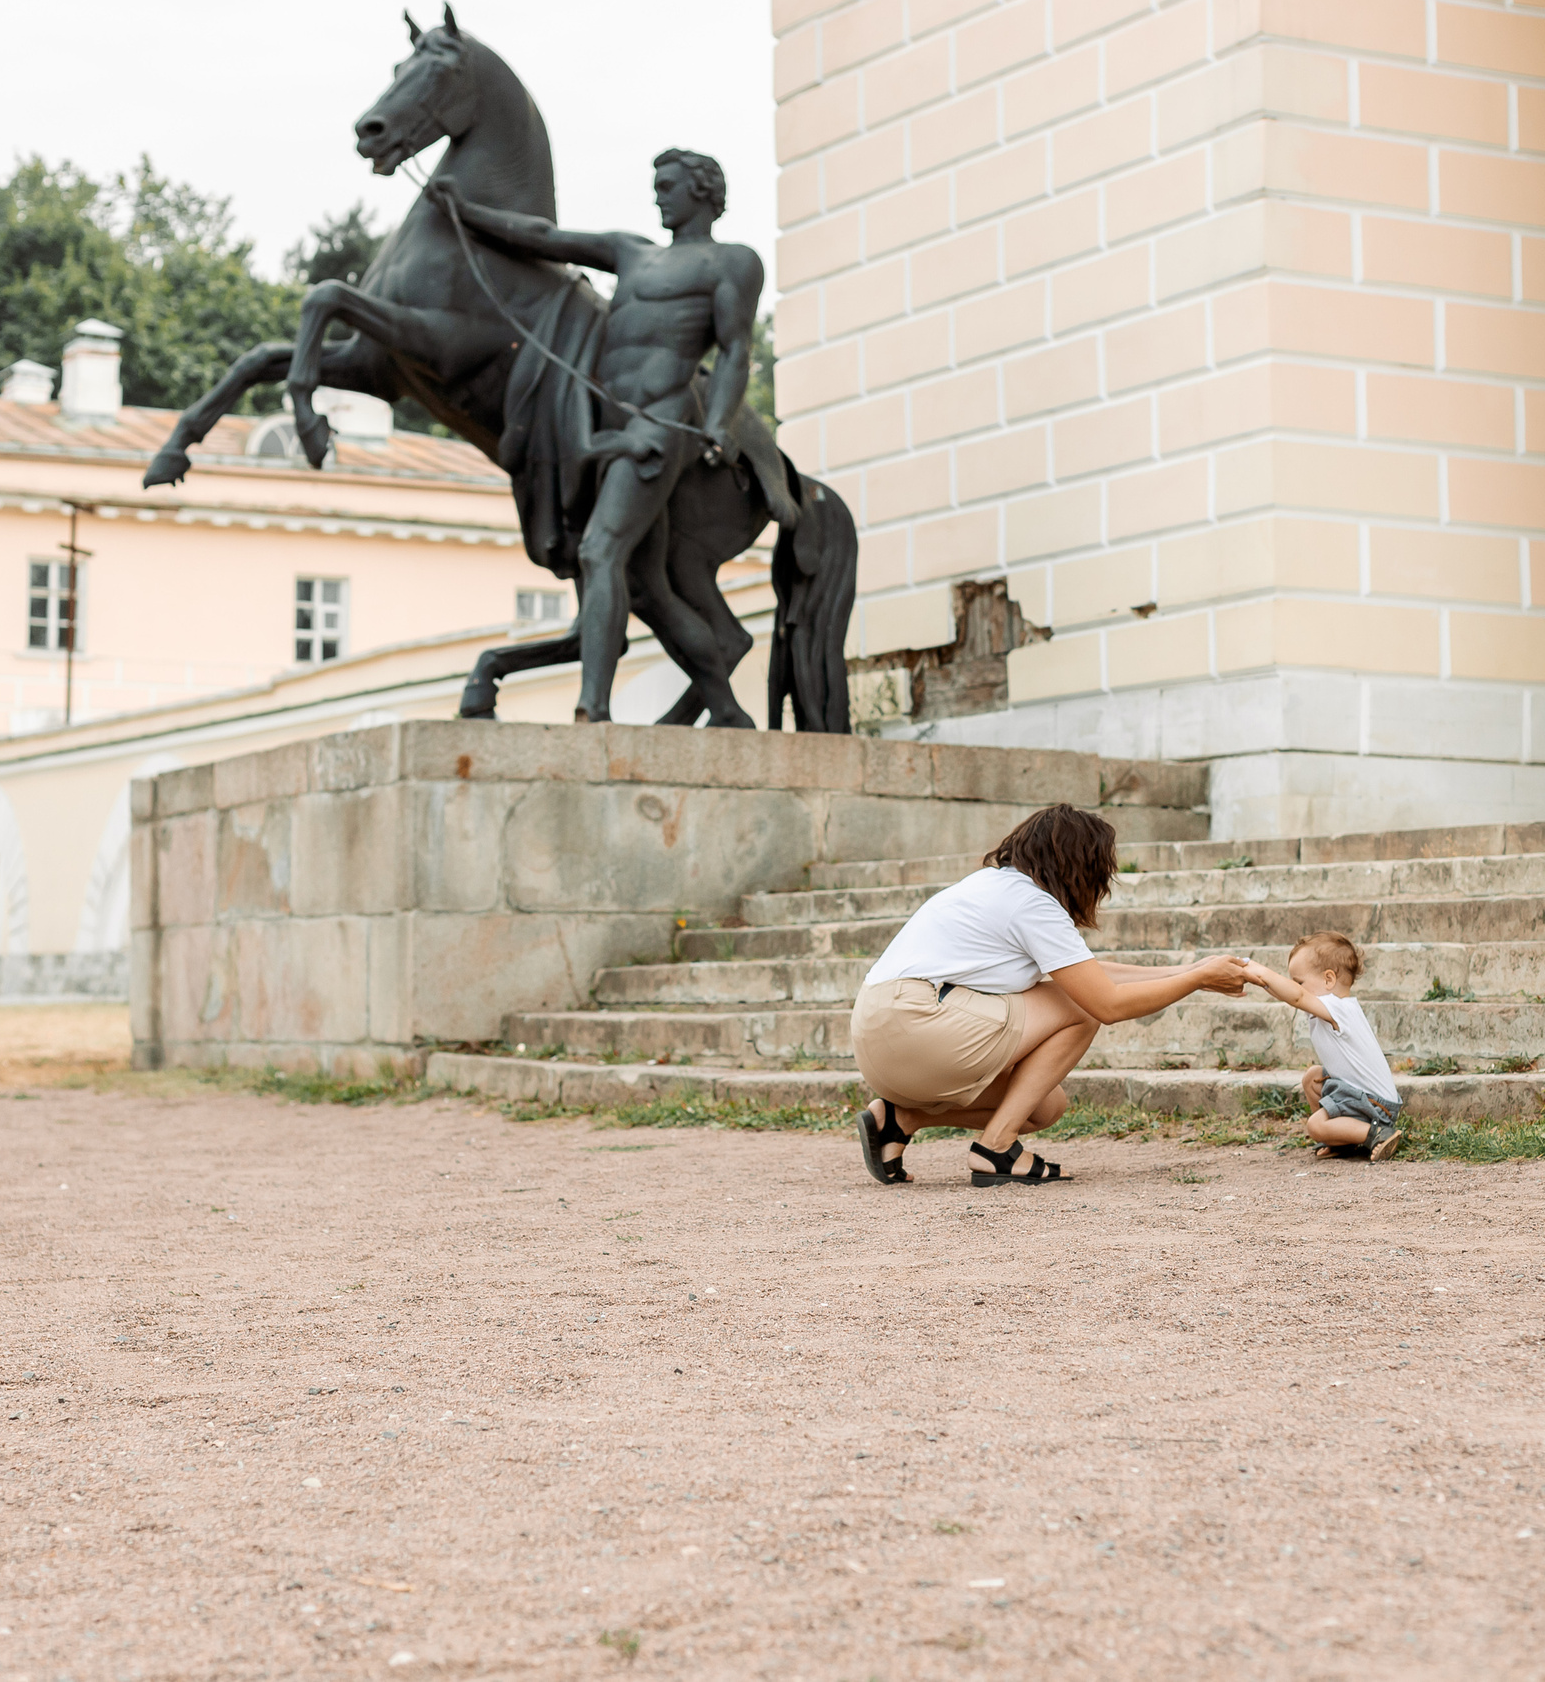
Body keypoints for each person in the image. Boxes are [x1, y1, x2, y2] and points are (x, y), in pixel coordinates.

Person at [428, 149, 778, 725]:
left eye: (668, 185)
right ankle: (725, 707)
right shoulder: (629, 251)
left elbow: (737, 348)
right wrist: (466, 213)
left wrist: (717, 425)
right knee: (651, 589)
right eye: (656, 186)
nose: (658, 195)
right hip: (607, 424)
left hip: (660, 422)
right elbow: (545, 238)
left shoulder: (731, 262)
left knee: (600, 551)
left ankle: (594, 708)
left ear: (702, 191)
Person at [850, 804, 1256, 1187]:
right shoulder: (1032, 904)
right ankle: (995, 1151)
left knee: (1044, 1106)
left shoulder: (992, 887)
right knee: (1081, 1008)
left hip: (879, 1036)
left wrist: (1190, 970)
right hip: (919, 1021)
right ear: (1083, 865)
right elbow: (1105, 1003)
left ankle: (901, 1118)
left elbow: (1091, 975)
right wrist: (1197, 980)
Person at [1245, 931, 1404, 1162]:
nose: (1293, 987)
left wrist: (1256, 967)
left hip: (1376, 1106)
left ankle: (1378, 1133)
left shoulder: (1339, 1007)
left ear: (1328, 980)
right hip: (1357, 1096)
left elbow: (1297, 997)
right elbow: (1290, 995)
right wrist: (1256, 979)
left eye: (1298, 981)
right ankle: (1341, 1140)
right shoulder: (1329, 1006)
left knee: (1315, 1125)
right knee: (1313, 1077)